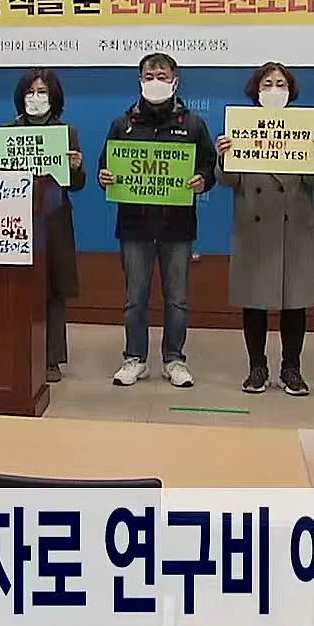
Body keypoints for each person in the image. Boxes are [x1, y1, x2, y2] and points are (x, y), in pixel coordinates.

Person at [97, 53, 217, 388]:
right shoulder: (123, 124)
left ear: (175, 81)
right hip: (134, 225)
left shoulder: (193, 124)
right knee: (135, 298)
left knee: (177, 299)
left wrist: (203, 180)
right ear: (140, 80)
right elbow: (105, 167)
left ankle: (174, 359)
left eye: (162, 76)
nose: (155, 82)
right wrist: (105, 177)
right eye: (149, 76)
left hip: (177, 226)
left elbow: (210, 166)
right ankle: (134, 358)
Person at [216, 62, 314, 396]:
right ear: (256, 90)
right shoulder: (241, 126)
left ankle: (292, 368)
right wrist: (223, 156)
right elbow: (226, 180)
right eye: (267, 83)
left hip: (295, 228)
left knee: (295, 302)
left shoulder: (304, 130)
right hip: (254, 227)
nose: (274, 89)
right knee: (254, 302)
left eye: (281, 84)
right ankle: (257, 368)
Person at [0, 68, 85, 383]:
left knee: (53, 289)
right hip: (15, 219)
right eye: (30, 92)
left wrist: (75, 168)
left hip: (54, 220)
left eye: (42, 92)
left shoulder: (67, 132)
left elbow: (77, 184)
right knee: (16, 287)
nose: (36, 98)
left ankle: (51, 358)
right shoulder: (6, 133)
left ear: (54, 97)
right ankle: (16, 352)